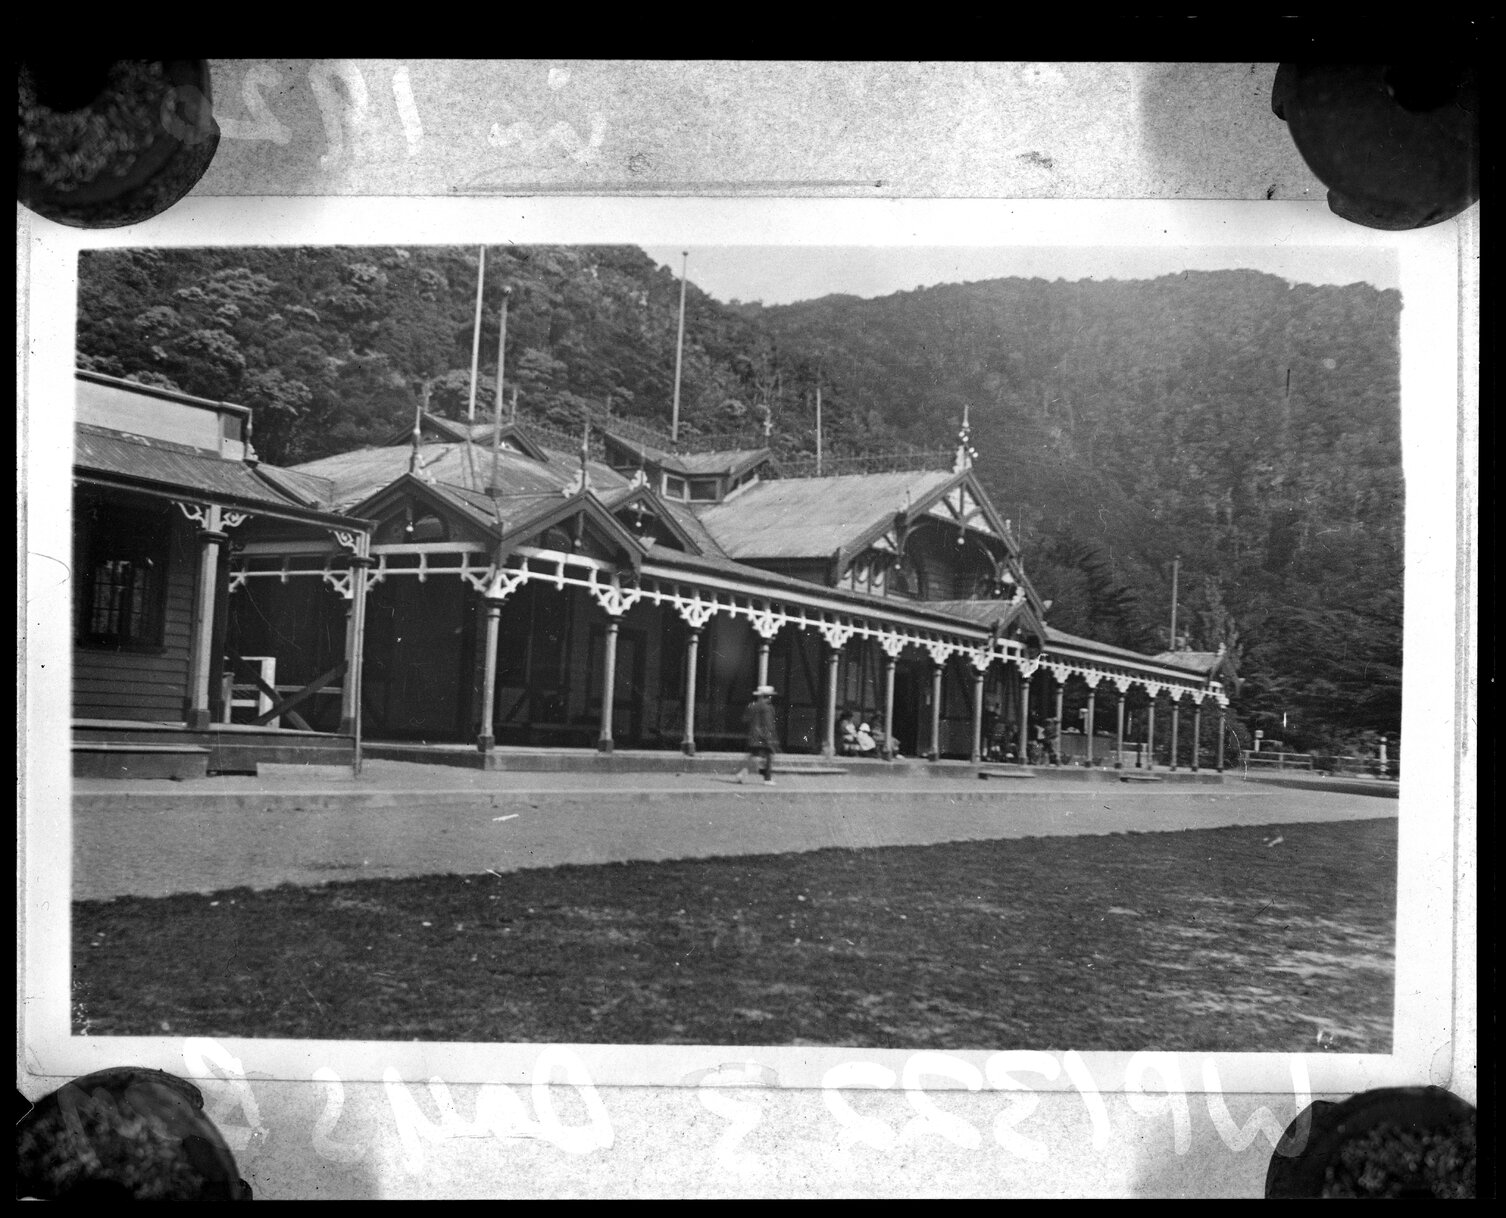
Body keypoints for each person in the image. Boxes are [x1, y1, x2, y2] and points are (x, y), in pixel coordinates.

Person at [733, 684, 778, 784]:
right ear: (768, 696)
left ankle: (742, 773)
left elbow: (745, 719)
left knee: (754, 755)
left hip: (754, 735)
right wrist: (768, 736)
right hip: (763, 736)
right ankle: (767, 778)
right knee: (769, 755)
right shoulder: (767, 707)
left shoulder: (753, 705)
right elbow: (768, 723)